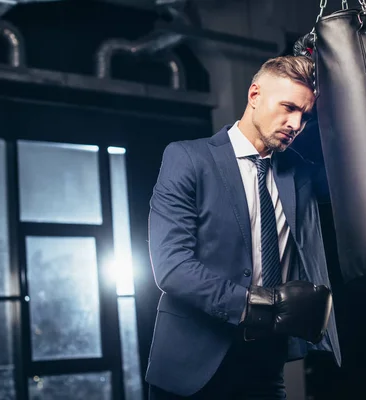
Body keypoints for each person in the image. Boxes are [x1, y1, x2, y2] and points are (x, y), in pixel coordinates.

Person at [146, 55, 341, 399]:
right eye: (288, 107)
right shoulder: (188, 159)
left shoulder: (301, 174)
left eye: (304, 116)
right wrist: (258, 304)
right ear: (254, 95)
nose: (295, 123)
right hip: (190, 365)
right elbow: (172, 267)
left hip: (266, 364)